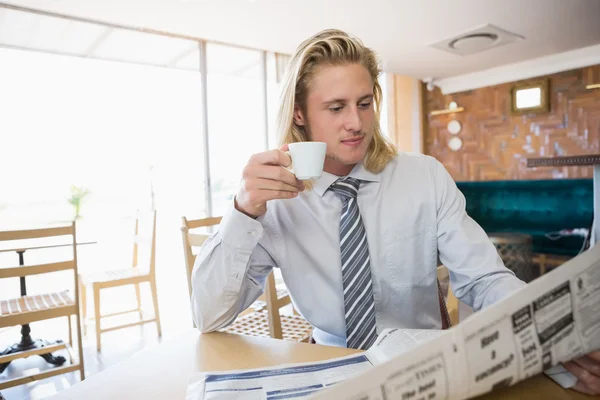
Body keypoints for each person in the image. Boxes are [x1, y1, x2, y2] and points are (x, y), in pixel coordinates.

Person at [191, 29, 600, 395]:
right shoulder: (277, 201)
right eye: (336, 108)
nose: (356, 123)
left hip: (425, 371)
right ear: (299, 113)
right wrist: (242, 212)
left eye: (365, 103)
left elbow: (484, 279)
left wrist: (550, 332)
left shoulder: (425, 177)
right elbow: (209, 315)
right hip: (327, 369)